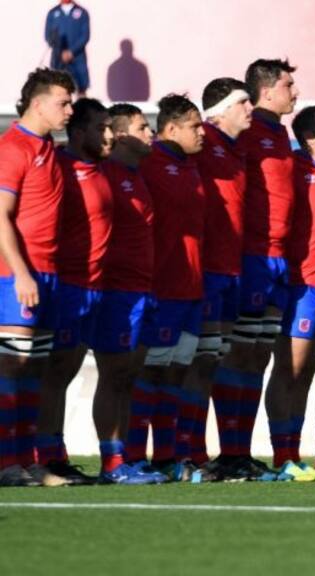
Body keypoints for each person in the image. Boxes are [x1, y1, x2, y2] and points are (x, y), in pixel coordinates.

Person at [213, 59, 298, 480]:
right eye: (289, 85)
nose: (295, 93)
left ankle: (242, 451)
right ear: (267, 91)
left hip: (280, 259)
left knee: (259, 356)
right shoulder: (243, 135)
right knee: (238, 353)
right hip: (252, 258)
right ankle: (228, 451)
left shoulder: (281, 134)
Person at [124, 94, 206, 481]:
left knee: (177, 374)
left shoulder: (190, 166)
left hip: (191, 289)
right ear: (170, 129)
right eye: (194, 126)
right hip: (163, 290)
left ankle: (168, 456)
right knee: (150, 374)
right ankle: (135, 455)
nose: (201, 133)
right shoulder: (151, 163)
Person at [0, 68, 74, 487]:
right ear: (38, 103)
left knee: (34, 372)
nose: (69, 110)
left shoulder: (49, 149)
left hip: (50, 276)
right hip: (15, 278)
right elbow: (0, 217)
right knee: (12, 367)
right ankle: (6, 463)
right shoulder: (13, 148)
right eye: (63, 102)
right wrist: (22, 274)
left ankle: (27, 462)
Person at [35, 98, 113, 486]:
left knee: (64, 374)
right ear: (79, 132)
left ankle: (55, 453)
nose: (108, 135)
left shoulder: (102, 169)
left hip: (94, 288)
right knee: (53, 374)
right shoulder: (59, 168)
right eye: (101, 128)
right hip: (66, 286)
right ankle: (46, 456)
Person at [263, 105, 315, 482]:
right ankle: (282, 457)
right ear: (309, 136)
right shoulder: (294, 168)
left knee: (307, 375)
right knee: (288, 371)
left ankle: (295, 453)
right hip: (301, 286)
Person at [184, 78, 253, 480]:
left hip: (232, 268)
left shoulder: (233, 147)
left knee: (216, 359)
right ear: (221, 109)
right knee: (199, 361)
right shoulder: (204, 142)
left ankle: (224, 453)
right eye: (242, 102)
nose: (249, 108)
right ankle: (189, 451)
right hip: (206, 269)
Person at [94, 104, 165, 484]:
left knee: (128, 376)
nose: (151, 132)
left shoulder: (138, 176)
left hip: (144, 289)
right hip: (117, 290)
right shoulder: (107, 175)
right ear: (121, 135)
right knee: (113, 375)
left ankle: (122, 458)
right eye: (142, 127)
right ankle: (110, 462)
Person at [45, 1, 90, 96]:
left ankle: (82, 109)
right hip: (58, 58)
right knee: (57, 86)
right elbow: (48, 36)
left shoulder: (82, 12)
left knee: (82, 87)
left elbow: (85, 36)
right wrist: (60, 51)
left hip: (77, 57)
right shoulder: (53, 13)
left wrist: (71, 52)